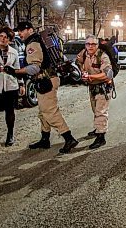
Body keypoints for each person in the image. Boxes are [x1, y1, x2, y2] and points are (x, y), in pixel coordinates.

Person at [10, 21, 79, 154]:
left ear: (30, 30)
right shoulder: (39, 41)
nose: (19, 33)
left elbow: (34, 67)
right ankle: (45, 139)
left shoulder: (33, 44)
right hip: (49, 79)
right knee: (43, 112)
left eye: (22, 30)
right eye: (18, 31)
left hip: (46, 80)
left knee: (50, 111)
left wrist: (15, 71)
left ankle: (69, 138)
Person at [76, 35, 113, 149]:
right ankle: (98, 128)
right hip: (92, 86)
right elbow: (77, 62)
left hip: (103, 87)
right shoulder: (84, 53)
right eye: (88, 44)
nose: (90, 46)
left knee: (101, 112)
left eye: (93, 44)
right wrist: (81, 71)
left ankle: (101, 137)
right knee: (95, 109)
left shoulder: (102, 56)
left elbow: (108, 74)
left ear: (97, 45)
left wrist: (91, 76)